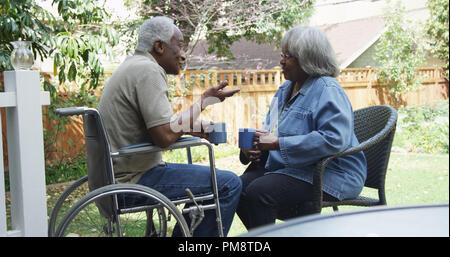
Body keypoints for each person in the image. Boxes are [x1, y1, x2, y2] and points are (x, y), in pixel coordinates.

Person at [98, 16, 242, 237]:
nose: (183, 54)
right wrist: (202, 102)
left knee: (212, 185)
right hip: (134, 180)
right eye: (180, 45)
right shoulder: (149, 71)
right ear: (160, 46)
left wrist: (190, 122)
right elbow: (164, 136)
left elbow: (159, 128)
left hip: (118, 176)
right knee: (228, 184)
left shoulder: (133, 66)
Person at [236, 26, 367, 230]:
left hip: (333, 172)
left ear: (308, 58)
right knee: (236, 188)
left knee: (259, 193)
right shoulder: (284, 90)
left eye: (288, 56)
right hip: (296, 168)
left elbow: (334, 139)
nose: (281, 60)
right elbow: (270, 130)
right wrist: (253, 147)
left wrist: (278, 143)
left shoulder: (327, 88)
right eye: (282, 54)